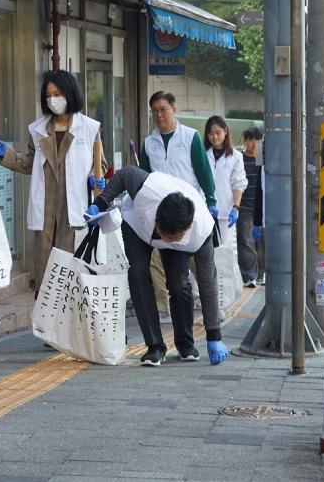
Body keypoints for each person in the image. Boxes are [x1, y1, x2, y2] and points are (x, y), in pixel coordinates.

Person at [85, 166, 229, 367]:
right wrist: (100, 203)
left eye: (170, 237)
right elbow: (125, 174)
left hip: (179, 240)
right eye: (162, 232)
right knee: (137, 272)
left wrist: (214, 335)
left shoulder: (202, 232)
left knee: (178, 283)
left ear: (187, 228)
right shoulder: (147, 190)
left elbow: (208, 283)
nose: (164, 239)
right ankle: (154, 346)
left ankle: (185, 343)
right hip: (137, 226)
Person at [0, 70, 105, 294]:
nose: (52, 100)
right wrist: (7, 155)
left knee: (71, 271)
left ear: (69, 93)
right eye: (48, 95)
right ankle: (47, 325)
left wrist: (93, 179)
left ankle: (70, 324)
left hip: (73, 208)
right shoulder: (37, 129)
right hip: (46, 206)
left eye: (57, 93)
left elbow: (99, 164)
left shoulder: (89, 128)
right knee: (46, 271)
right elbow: (30, 163)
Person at [140, 91, 218, 322]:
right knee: (157, 261)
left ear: (173, 109)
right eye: (154, 110)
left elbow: (204, 171)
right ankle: (163, 308)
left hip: (188, 210)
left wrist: (211, 200)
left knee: (198, 262)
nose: (158, 115)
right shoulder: (148, 143)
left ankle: (210, 306)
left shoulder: (190, 137)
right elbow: (144, 176)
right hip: (160, 212)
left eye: (163, 109)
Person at [204, 115, 247, 245]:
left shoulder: (236, 157)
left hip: (225, 212)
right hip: (203, 210)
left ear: (226, 131)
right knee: (203, 251)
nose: (215, 137)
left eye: (218, 133)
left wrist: (235, 208)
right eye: (211, 133)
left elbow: (238, 183)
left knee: (222, 250)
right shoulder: (202, 154)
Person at [237, 126, 265, 287]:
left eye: (257, 140)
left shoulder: (262, 159)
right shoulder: (239, 158)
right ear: (245, 141)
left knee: (263, 243)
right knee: (246, 242)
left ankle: (261, 274)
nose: (254, 143)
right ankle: (249, 276)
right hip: (245, 207)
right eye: (250, 140)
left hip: (262, 208)